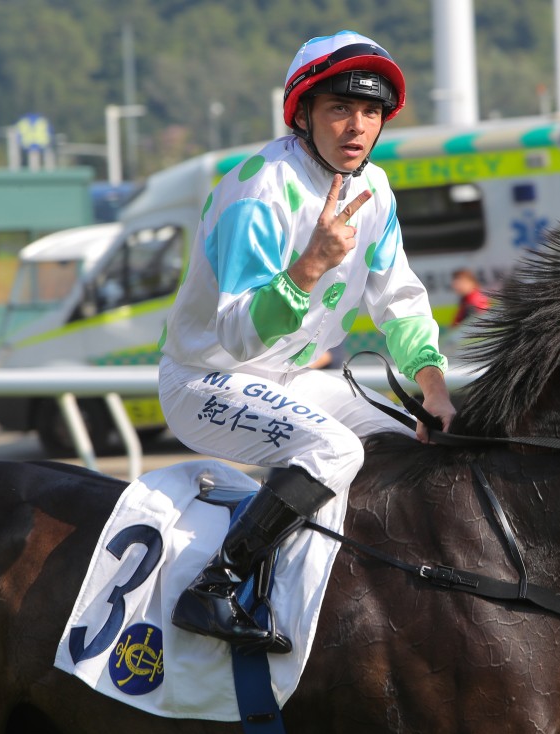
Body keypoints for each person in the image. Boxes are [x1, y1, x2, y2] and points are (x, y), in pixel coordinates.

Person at [157, 31, 455, 655]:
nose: (357, 126)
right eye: (339, 108)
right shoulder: (259, 189)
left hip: (287, 378)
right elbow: (238, 334)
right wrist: (310, 266)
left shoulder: (374, 190)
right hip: (205, 380)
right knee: (335, 449)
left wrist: (432, 386)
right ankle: (214, 584)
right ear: (303, 114)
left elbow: (398, 298)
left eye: (370, 111)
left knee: (411, 445)